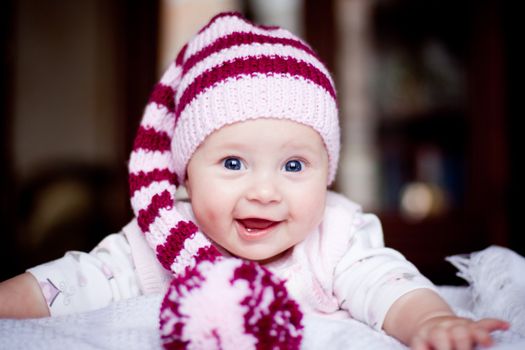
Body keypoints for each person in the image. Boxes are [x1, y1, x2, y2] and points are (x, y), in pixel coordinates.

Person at [0, 11, 508, 349]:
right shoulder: (160, 235)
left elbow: (388, 285)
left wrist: (428, 322)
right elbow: (69, 284)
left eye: (293, 166)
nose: (264, 192)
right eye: (233, 164)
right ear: (187, 177)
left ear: (326, 173)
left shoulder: (334, 233)